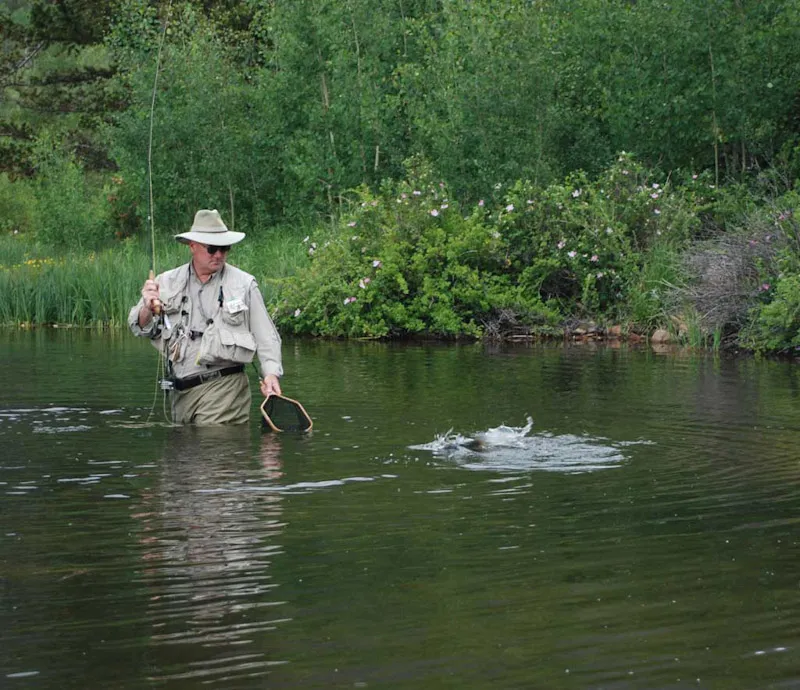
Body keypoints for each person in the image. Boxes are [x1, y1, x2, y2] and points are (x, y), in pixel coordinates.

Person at [129, 209, 283, 424]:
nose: (219, 255)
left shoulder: (244, 284)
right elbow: (138, 327)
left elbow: (266, 336)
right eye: (212, 248)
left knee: (211, 442)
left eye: (224, 248)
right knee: (184, 445)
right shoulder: (166, 281)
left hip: (225, 388)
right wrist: (147, 307)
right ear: (193, 246)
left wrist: (271, 374)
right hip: (181, 394)